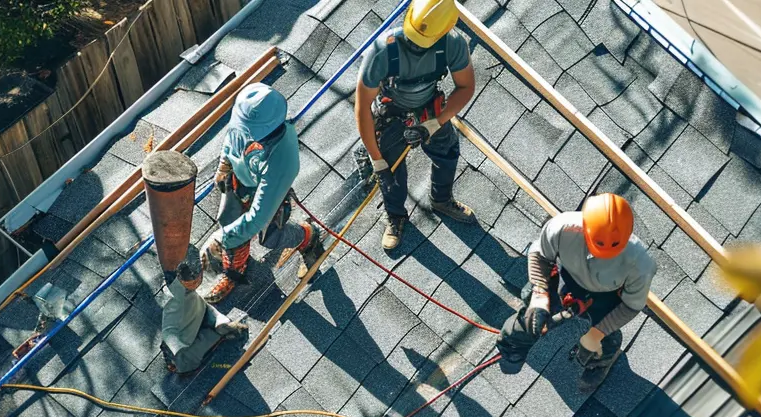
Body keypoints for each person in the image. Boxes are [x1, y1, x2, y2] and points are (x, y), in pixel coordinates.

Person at [497, 194, 657, 393]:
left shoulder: (641, 264)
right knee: (531, 309)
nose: (604, 255)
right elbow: (539, 255)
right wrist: (539, 294)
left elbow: (631, 306)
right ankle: (513, 346)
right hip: (567, 277)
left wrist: (596, 333)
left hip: (605, 295)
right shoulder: (562, 228)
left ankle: (602, 358)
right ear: (585, 227)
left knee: (603, 339)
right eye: (597, 246)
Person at [355, 0, 478, 252]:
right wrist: (377, 160)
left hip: (429, 110)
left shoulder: (452, 44)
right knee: (390, 173)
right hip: (393, 114)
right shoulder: (383, 50)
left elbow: (466, 87)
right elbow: (362, 107)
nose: (415, 47)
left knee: (447, 151)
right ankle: (396, 215)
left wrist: (434, 124)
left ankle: (441, 199)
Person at [202, 83, 327, 304]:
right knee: (228, 219)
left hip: (268, 192)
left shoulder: (283, 160)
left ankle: (307, 236)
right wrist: (224, 165)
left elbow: (259, 217)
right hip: (240, 180)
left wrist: (222, 239)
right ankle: (235, 270)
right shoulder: (246, 117)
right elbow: (231, 138)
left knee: (271, 238)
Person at [163, 262, 249, 376]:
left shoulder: (173, 294)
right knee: (199, 307)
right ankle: (218, 323)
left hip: (183, 332)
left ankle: (216, 324)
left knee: (192, 304)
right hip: (182, 352)